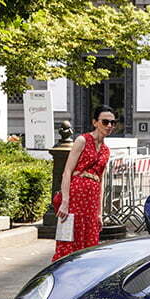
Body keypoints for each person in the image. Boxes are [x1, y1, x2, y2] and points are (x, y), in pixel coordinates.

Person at [52, 105, 116, 261]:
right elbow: (67, 171)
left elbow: (101, 181)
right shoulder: (82, 140)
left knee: (89, 238)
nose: (109, 126)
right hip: (76, 196)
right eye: (105, 122)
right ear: (95, 122)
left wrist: (100, 212)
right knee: (68, 236)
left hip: (92, 199)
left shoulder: (106, 150)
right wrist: (65, 201)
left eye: (112, 123)